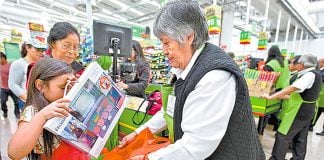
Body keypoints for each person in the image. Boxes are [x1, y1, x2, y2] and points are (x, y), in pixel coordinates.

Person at [119, 1, 265, 159]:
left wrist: (149, 158)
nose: (164, 51)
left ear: (189, 37)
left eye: (166, 43)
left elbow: (196, 144)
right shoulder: (185, 68)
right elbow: (170, 110)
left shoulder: (214, 76)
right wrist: (137, 133)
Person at [8, 58, 89, 160]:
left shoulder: (66, 102)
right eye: (63, 88)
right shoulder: (34, 110)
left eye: (70, 87)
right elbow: (14, 153)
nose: (68, 92)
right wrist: (42, 115)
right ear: (40, 86)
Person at [263, 54, 322, 160]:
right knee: (300, 137)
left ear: (302, 65)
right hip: (307, 110)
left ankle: (277, 158)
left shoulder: (309, 75)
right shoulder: (315, 74)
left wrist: (270, 97)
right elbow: (295, 96)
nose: (294, 65)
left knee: (283, 135)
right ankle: (298, 158)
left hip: (299, 111)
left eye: (297, 63)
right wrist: (277, 96)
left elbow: (291, 89)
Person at [8, 39, 46, 109]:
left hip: (42, 101)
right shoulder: (19, 64)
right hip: (27, 103)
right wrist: (28, 99)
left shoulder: (41, 63)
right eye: (38, 49)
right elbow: (13, 84)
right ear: (28, 48)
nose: (41, 52)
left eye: (43, 50)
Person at [0, 52, 20, 118]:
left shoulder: (11, 65)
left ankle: (17, 113)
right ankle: (5, 111)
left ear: (3, 58)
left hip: (12, 87)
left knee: (16, 102)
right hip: (3, 88)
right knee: (3, 101)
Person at [314, 58, 324, 136]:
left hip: (322, 96)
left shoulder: (321, 72)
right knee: (317, 111)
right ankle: (311, 126)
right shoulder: (320, 71)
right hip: (320, 96)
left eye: (319, 62)